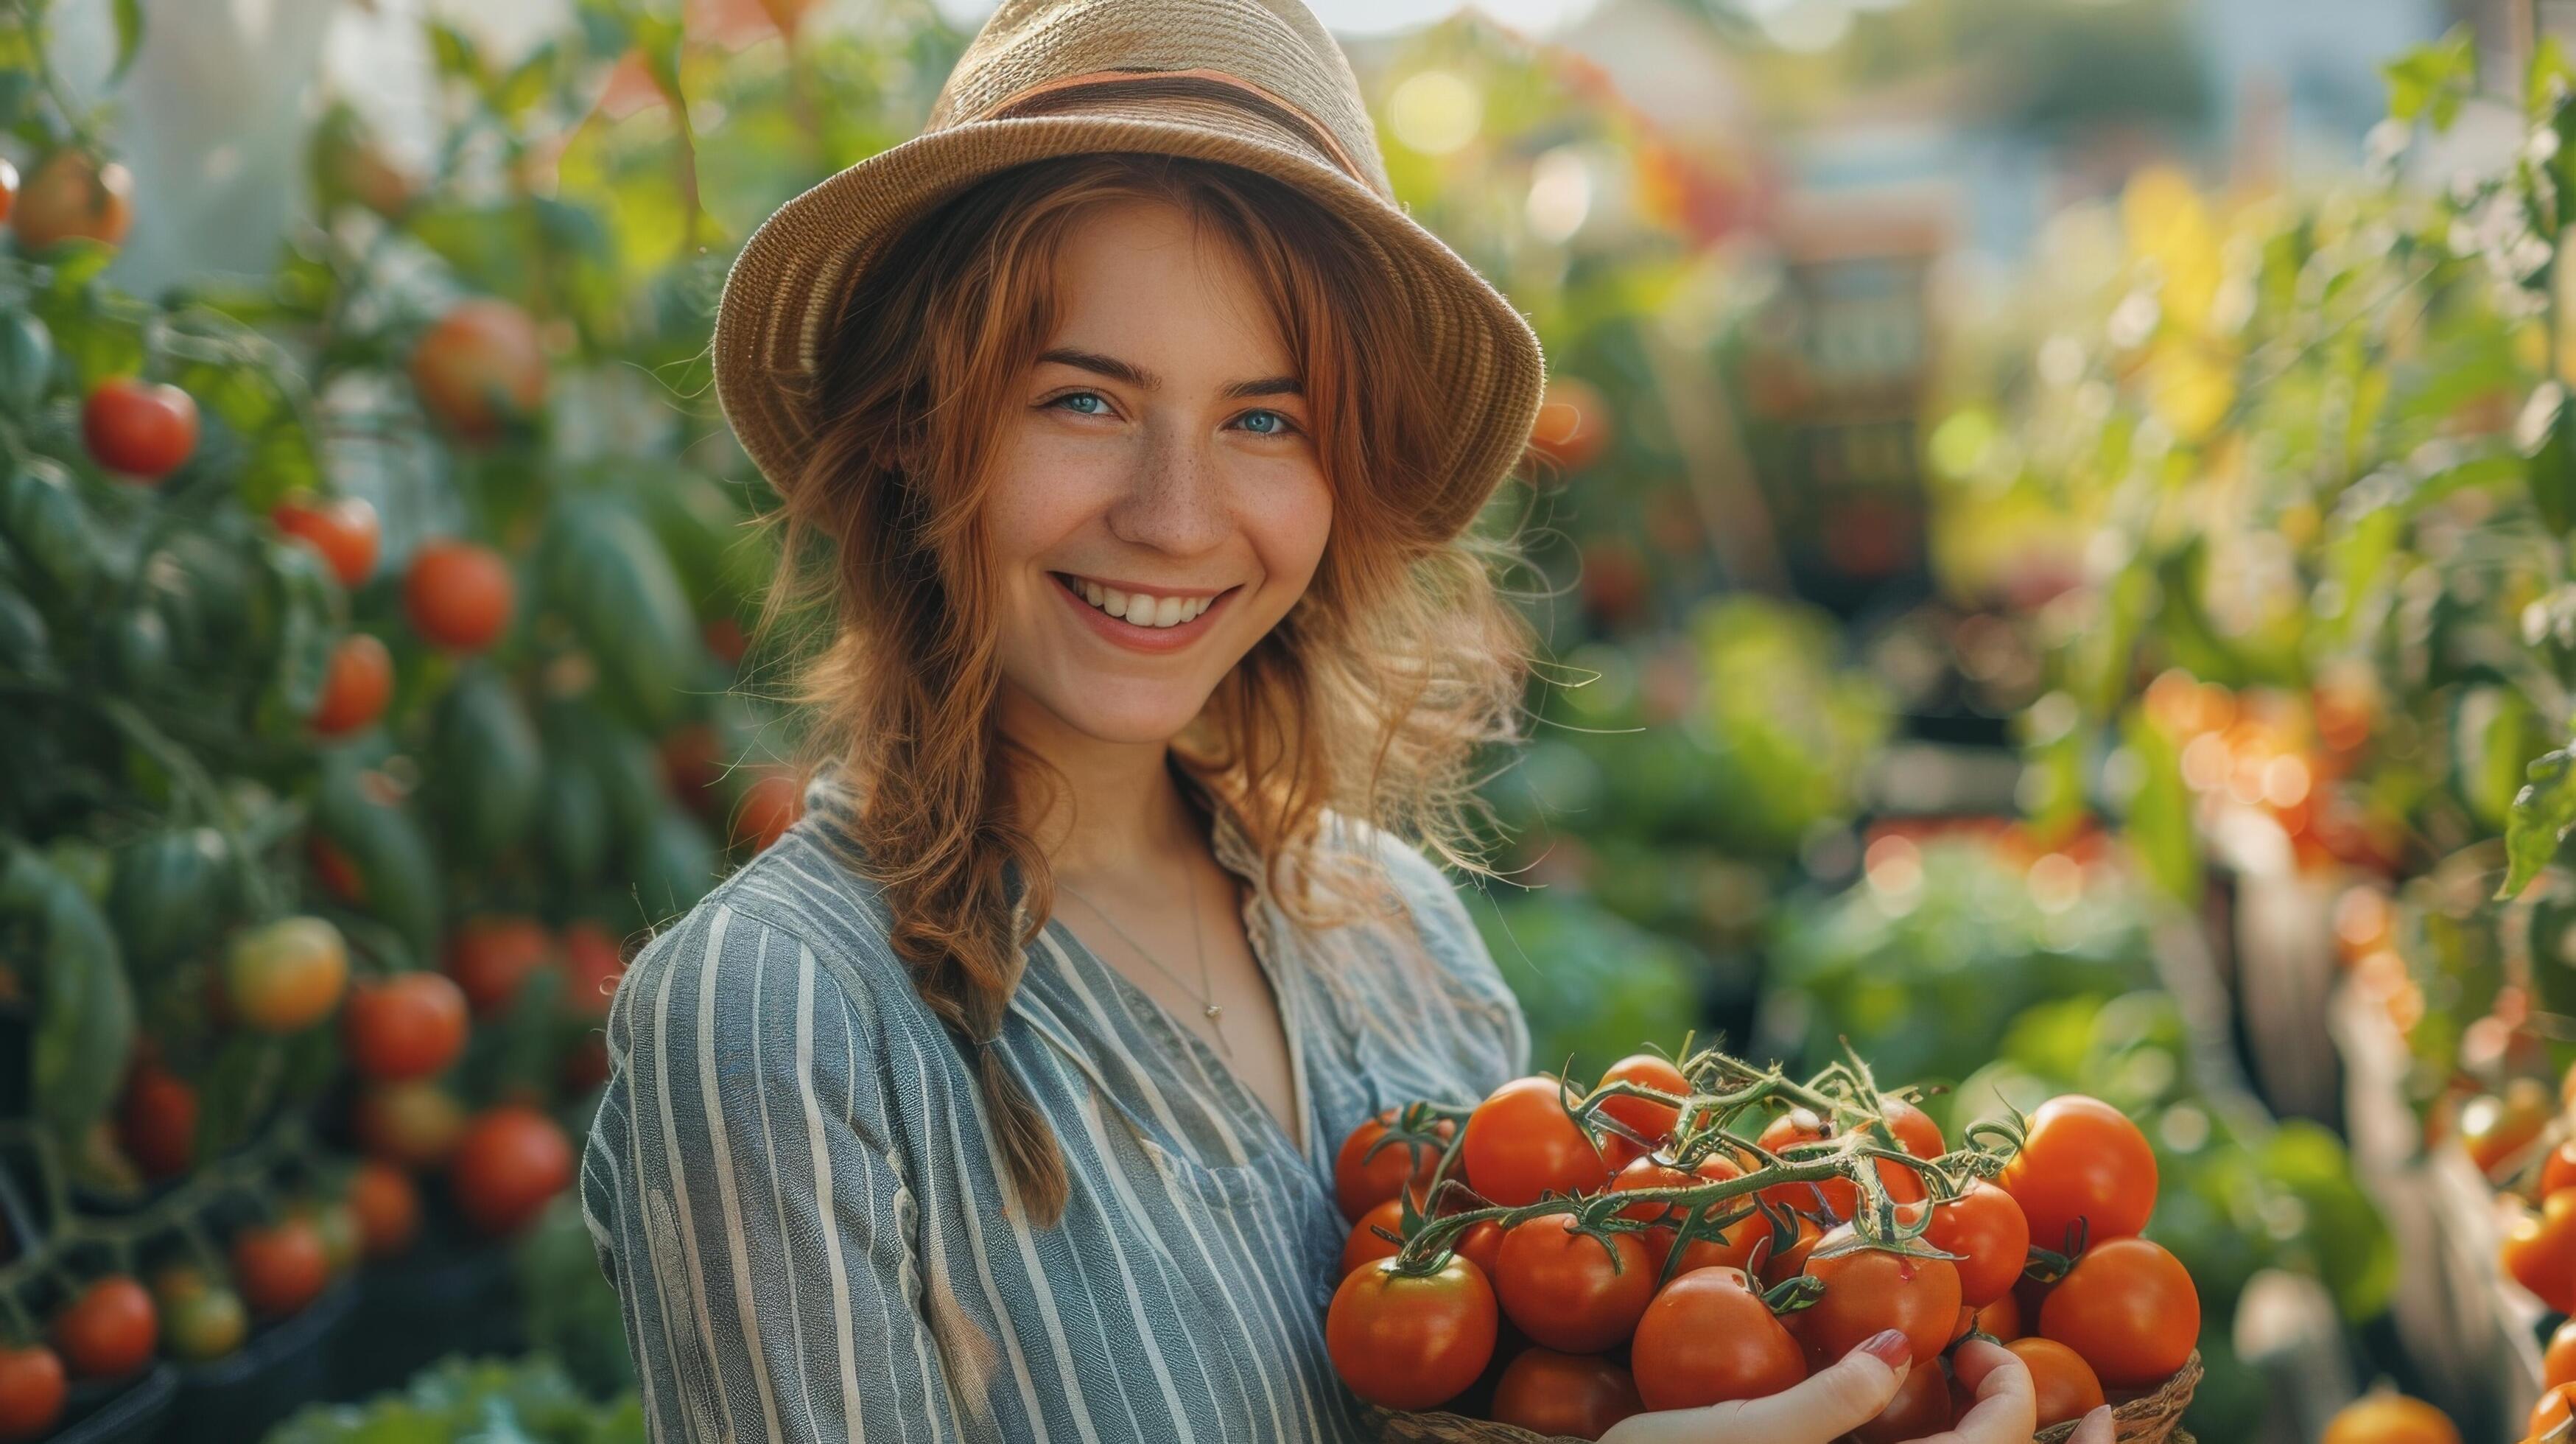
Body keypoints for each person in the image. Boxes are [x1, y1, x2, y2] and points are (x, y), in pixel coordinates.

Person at [578, 1, 2119, 1440]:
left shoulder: (1397, 936)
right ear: (921, 436)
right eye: (1085, 400)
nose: (1179, 518)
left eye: (1266, 419)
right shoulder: (780, 1019)